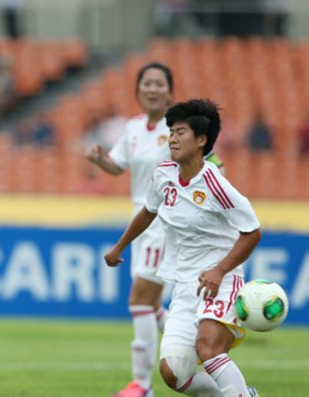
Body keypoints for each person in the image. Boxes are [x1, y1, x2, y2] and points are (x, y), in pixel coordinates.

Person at [85, 63, 226, 397]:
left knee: (139, 300)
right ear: (138, 90)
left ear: (169, 91)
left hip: (166, 221)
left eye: (159, 83)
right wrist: (99, 159)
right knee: (152, 306)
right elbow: (119, 166)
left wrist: (217, 189)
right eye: (146, 83)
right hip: (142, 217)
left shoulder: (178, 130)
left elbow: (213, 163)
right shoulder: (133, 128)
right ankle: (193, 347)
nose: (152, 88)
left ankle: (142, 384)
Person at [105, 99, 261, 397]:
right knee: (173, 373)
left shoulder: (215, 184)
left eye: (180, 132)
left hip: (220, 282)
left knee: (209, 349)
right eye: (171, 132)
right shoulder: (163, 175)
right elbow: (149, 211)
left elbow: (252, 232)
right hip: (185, 286)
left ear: (201, 140)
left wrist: (220, 270)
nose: (172, 138)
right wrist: (120, 246)